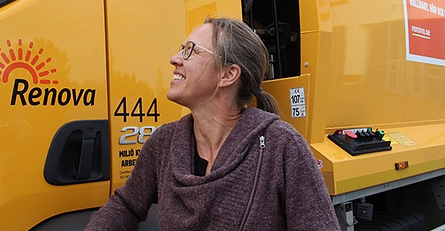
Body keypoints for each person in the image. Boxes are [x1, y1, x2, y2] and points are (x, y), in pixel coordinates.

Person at [86, 17, 339, 230]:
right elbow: (126, 206)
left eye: (189, 50)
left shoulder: (280, 144)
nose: (174, 59)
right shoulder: (164, 142)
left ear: (227, 74)